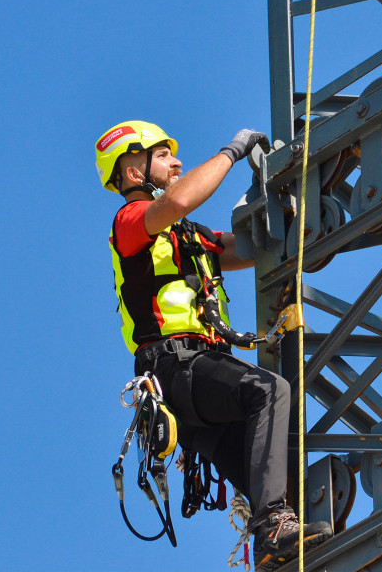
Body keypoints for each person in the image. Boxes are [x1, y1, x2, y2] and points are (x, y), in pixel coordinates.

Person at [95, 121, 332, 570]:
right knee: (269, 391)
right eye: (163, 156)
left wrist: (293, 217)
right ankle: (273, 525)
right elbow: (180, 198)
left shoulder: (186, 236)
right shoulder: (130, 222)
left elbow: (245, 250)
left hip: (195, 380)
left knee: (268, 473)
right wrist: (232, 151)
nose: (177, 162)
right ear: (132, 174)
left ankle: (273, 543)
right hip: (174, 369)